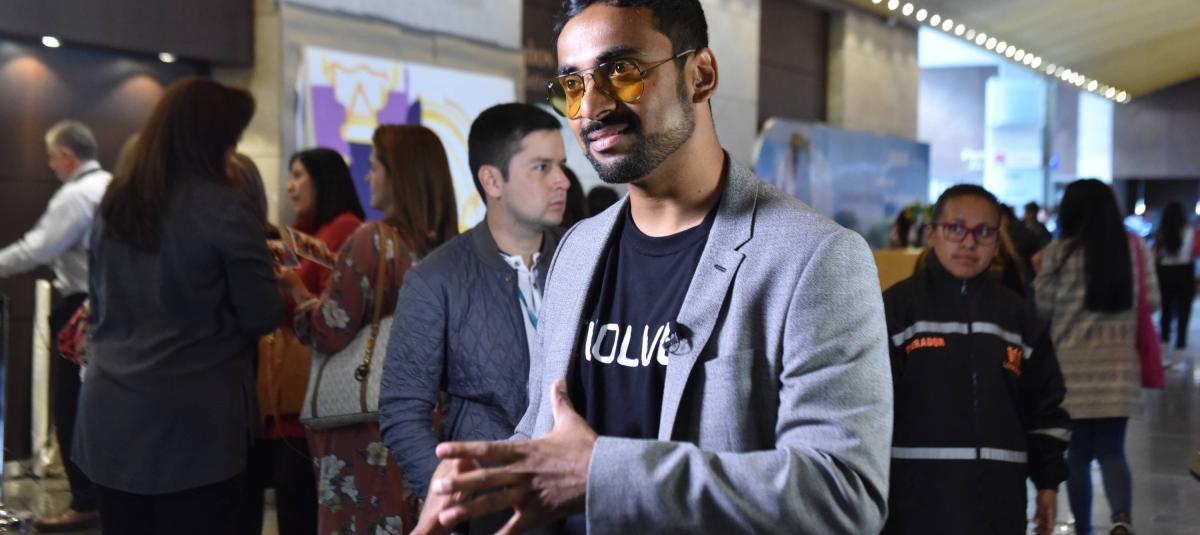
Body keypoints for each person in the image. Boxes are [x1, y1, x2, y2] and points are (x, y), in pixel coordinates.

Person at [413, 1, 893, 533]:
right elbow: (548, 431)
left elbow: (843, 494)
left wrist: (603, 474)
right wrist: (478, 478)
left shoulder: (814, 258)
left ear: (701, 75)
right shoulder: (575, 251)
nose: (591, 107)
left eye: (621, 71)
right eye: (572, 84)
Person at [74, 77, 284, 535]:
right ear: (212, 139)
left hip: (109, 413)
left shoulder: (115, 203)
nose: (234, 149)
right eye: (231, 138)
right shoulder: (225, 207)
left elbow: (100, 302)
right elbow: (262, 313)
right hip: (192, 427)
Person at [379, 103, 568, 532]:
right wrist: (454, 498)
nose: (562, 180)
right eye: (542, 167)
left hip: (579, 494)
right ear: (492, 180)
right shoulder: (437, 279)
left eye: (561, 165)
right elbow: (402, 409)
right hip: (488, 502)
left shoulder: (585, 258)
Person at [284, 124, 458, 535]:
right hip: (428, 420)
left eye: (375, 166)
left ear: (398, 175)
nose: (367, 177)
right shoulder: (449, 248)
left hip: (365, 422)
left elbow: (329, 328)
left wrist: (295, 292)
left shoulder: (374, 240)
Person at [882, 184, 1069, 535]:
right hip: (912, 508)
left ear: (997, 242)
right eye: (955, 228)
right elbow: (867, 413)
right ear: (932, 235)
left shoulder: (1018, 317)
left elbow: (1045, 407)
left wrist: (1048, 482)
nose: (969, 243)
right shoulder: (896, 310)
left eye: (984, 232)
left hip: (998, 509)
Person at [0, 120, 110, 532]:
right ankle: (99, 496)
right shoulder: (111, 185)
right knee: (94, 405)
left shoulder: (76, 195)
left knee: (71, 405)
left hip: (81, 308)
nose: (50, 166)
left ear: (66, 155)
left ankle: (84, 500)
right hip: (109, 306)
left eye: (51, 158)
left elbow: (38, 248)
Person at [1032, 179, 1158, 535]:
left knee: (1078, 457)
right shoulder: (1133, 247)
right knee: (1113, 452)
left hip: (1071, 374)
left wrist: (1040, 273)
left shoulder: (1058, 253)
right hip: (1118, 373)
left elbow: (1041, 310)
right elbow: (1151, 301)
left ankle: (1084, 529)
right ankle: (1121, 519)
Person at [1154, 201, 1194, 354]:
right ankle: (1179, 350)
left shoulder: (1161, 233)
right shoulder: (1190, 231)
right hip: (1184, 272)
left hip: (1165, 272)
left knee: (1165, 311)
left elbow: (1156, 255)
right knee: (1184, 312)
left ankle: (1164, 349)